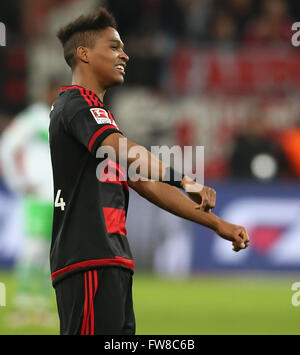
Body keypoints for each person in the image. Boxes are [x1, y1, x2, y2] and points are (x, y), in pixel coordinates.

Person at [50, 8, 249, 335]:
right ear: (83, 54)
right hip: (87, 259)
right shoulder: (76, 105)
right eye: (113, 46)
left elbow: (147, 183)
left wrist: (217, 224)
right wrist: (186, 180)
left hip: (113, 262)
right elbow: (129, 152)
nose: (124, 55)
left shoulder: (98, 117)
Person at [0, 81, 60, 324]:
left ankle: (42, 306)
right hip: (36, 195)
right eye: (54, 91)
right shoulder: (32, 119)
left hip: (57, 196)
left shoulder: (61, 119)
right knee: (32, 249)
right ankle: (23, 306)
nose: (57, 96)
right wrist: (18, 181)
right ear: (46, 92)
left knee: (50, 252)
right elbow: (6, 146)